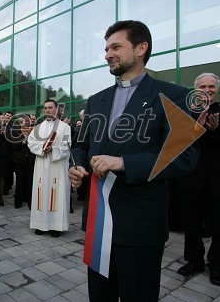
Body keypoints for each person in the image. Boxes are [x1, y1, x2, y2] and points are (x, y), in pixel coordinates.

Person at [69, 20, 199, 301]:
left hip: (140, 227)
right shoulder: (96, 101)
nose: (107, 54)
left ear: (141, 48)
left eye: (116, 46)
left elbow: (185, 157)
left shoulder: (175, 96)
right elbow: (83, 145)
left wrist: (125, 163)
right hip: (98, 223)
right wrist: (77, 166)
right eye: (105, 48)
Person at [177, 73, 220, 286]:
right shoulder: (186, 114)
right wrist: (197, 128)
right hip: (193, 180)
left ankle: (217, 267)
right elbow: (180, 144)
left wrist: (216, 130)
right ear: (196, 90)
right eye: (202, 86)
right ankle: (194, 261)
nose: (207, 89)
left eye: (211, 86)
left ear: (217, 89)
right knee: (192, 226)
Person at [28, 99, 71, 237]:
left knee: (56, 194)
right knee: (41, 193)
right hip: (41, 164)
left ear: (57, 109)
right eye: (45, 108)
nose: (47, 110)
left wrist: (53, 149)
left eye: (50, 108)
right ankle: (40, 225)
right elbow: (30, 142)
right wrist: (41, 148)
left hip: (56, 166)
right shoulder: (38, 127)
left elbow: (67, 145)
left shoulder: (65, 127)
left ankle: (56, 226)